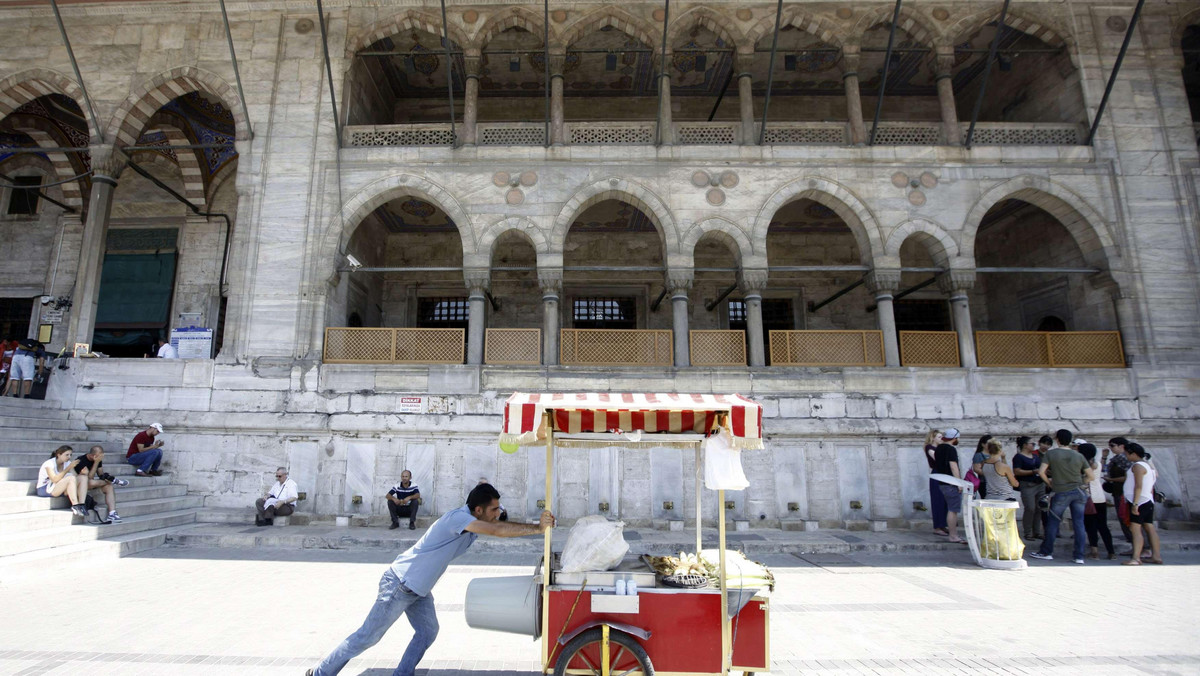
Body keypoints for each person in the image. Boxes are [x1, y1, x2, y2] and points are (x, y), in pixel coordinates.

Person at [308, 483, 556, 676]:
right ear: (478, 510)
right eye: (494, 509)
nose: (498, 513)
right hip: (400, 584)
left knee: (427, 631)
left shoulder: (475, 518)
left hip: (418, 589)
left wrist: (513, 518)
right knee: (367, 637)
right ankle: (321, 672)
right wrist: (537, 528)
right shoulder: (457, 519)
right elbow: (497, 530)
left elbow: (500, 523)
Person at [1029, 429, 1093, 564]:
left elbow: (1041, 472)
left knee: (1053, 522)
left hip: (1061, 491)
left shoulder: (1051, 454)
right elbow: (1090, 476)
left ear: (1057, 440)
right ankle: (1079, 556)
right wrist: (1081, 483)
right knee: (1079, 524)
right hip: (1079, 492)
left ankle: (1046, 551)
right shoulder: (1079, 456)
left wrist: (1050, 484)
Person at [1123, 443, 1162, 565]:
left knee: (1135, 528)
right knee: (1149, 527)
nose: (1126, 456)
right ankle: (1156, 556)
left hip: (1140, 501)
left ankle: (1136, 558)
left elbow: (1138, 486)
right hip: (1147, 499)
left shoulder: (1138, 466)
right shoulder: (1147, 466)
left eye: (1127, 454)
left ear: (1133, 454)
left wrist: (1135, 503)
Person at [1078, 443, 1115, 560]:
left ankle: (1095, 551)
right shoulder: (1097, 463)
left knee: (1090, 526)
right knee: (1102, 525)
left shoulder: (1084, 465)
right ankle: (1111, 551)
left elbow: (1088, 479)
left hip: (1090, 498)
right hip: (1100, 497)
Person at [72, 446, 122, 523]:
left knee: (109, 486)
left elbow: (100, 473)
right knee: (91, 482)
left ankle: (112, 513)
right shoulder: (81, 461)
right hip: (80, 486)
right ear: (92, 455)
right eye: (100, 456)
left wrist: (106, 477)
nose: (101, 458)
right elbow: (89, 478)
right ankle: (115, 482)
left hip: (90, 486)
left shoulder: (98, 459)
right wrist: (96, 462)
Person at [932, 431, 966, 545]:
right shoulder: (950, 449)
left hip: (942, 482)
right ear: (955, 438)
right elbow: (953, 466)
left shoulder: (939, 448)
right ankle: (953, 535)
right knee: (953, 510)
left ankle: (953, 534)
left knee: (951, 509)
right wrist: (959, 483)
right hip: (951, 483)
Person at [37, 445, 86, 517]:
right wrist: (68, 468)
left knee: (83, 478)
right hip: (45, 489)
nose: (69, 457)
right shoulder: (49, 464)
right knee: (70, 478)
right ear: (59, 455)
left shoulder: (68, 463)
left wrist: (82, 473)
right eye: (67, 455)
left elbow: (75, 477)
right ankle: (75, 505)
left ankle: (82, 505)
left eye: (70, 455)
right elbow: (54, 479)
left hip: (59, 487)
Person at [1011, 436, 1045, 540]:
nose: (1033, 446)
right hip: (1027, 484)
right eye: (1031, 444)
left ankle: (1037, 531)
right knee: (1030, 508)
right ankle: (1028, 532)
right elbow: (1017, 471)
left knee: (1040, 508)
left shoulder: (1035, 457)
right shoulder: (1018, 457)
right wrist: (1032, 472)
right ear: (1025, 445)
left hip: (1039, 484)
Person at [923, 429, 948, 536]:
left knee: (945, 500)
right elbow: (938, 459)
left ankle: (944, 524)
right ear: (933, 438)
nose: (941, 439)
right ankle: (937, 526)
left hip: (945, 473)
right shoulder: (930, 447)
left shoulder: (941, 448)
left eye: (942, 437)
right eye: (939, 437)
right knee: (937, 500)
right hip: (937, 474)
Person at [980, 438, 1017, 502]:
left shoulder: (983, 463)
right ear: (1000, 450)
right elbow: (1014, 484)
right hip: (1005, 498)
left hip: (989, 497)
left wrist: (1003, 458)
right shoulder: (1003, 466)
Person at [971, 434, 992, 499]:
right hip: (984, 482)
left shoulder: (994, 455)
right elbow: (976, 469)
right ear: (983, 444)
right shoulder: (979, 455)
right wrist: (990, 474)